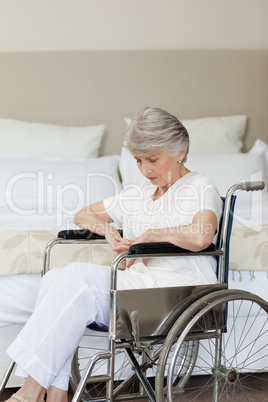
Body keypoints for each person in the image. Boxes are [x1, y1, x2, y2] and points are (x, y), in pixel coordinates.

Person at [5, 107, 222, 402]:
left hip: (178, 291)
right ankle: (55, 393)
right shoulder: (137, 195)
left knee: (76, 276)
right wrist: (106, 230)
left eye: (153, 160)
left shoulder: (199, 187)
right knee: (56, 277)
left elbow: (202, 235)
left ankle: (31, 392)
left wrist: (151, 235)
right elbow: (82, 215)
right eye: (138, 161)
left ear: (180, 152)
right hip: (138, 287)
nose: (145, 170)